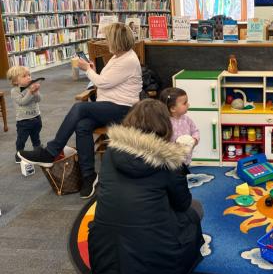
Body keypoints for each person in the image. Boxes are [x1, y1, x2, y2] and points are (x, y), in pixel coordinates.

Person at [88, 99, 204, 274]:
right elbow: (182, 203)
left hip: (105, 244)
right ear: (164, 126)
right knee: (196, 209)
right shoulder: (169, 161)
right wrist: (181, 160)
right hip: (151, 249)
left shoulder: (110, 152)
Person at [19, 23, 142, 199]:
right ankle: (88, 176)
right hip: (107, 107)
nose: (105, 41)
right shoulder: (118, 57)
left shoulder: (128, 60)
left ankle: (51, 151)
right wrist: (92, 69)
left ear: (116, 40)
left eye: (108, 38)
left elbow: (103, 83)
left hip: (123, 110)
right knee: (83, 126)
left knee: (80, 107)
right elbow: (108, 79)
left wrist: (87, 70)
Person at [6, 66, 42, 164]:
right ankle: (19, 154)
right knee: (22, 140)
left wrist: (36, 91)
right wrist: (30, 92)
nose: (29, 77)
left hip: (36, 118)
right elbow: (22, 102)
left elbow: (38, 99)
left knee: (36, 138)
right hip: (24, 121)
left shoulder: (30, 87)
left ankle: (38, 153)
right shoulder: (15, 91)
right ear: (15, 81)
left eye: (29, 75)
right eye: (24, 76)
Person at [159, 87, 200, 173]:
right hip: (170, 161)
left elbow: (195, 131)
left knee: (183, 176)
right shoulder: (164, 123)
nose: (188, 105)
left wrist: (195, 139)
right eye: (185, 103)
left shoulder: (186, 119)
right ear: (173, 108)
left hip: (186, 159)